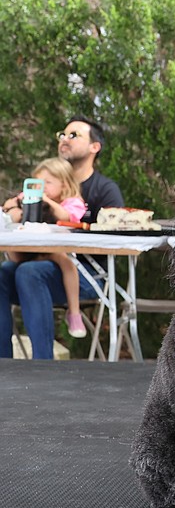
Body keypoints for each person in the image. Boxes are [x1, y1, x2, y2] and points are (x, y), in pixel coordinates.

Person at [0, 116, 124, 359]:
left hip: (87, 277)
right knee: (4, 271)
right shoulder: (40, 188)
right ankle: (4, 361)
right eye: (62, 135)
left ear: (94, 147)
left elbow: (119, 233)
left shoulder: (104, 189)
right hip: (35, 265)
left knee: (29, 273)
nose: (64, 140)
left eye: (74, 135)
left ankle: (43, 365)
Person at [4, 157, 89, 338]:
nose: (41, 187)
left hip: (58, 251)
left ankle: (74, 311)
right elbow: (11, 207)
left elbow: (67, 216)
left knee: (66, 262)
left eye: (47, 183)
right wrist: (13, 205)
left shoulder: (71, 202)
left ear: (64, 185)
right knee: (9, 258)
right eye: (38, 183)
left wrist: (47, 201)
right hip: (30, 250)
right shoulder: (32, 197)